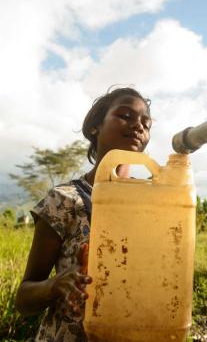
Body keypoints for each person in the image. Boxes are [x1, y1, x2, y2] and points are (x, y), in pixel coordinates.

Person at [15, 87, 152, 341]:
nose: (138, 126)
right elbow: (24, 300)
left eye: (146, 123)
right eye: (125, 116)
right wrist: (54, 286)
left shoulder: (152, 205)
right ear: (94, 127)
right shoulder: (64, 200)